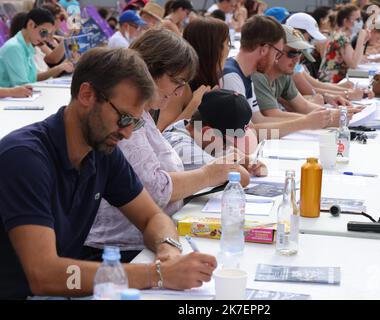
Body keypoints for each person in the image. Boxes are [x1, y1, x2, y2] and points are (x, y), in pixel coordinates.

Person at [0, 47, 217, 299]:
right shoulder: (24, 158)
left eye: (135, 123)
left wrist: (168, 249)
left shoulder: (102, 150)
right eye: (124, 118)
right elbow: (43, 274)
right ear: (87, 94)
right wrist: (156, 274)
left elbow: (152, 218)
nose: (127, 133)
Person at [83, 29, 251, 262]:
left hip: (146, 242)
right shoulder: (126, 120)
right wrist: (210, 173)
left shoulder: (144, 115)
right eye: (176, 82)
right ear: (148, 71)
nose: (179, 92)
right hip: (120, 251)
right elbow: (154, 189)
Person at [222, 15, 332, 139]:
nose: (276, 60)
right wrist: (305, 122)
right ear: (264, 50)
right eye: (278, 53)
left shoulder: (245, 74)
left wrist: (310, 121)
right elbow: (247, 133)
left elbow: (260, 121)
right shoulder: (232, 77)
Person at [252, 25, 348, 123]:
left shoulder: (283, 73)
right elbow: (272, 115)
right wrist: (327, 117)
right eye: (292, 53)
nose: (297, 59)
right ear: (276, 51)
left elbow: (303, 105)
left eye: (299, 53)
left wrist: (340, 113)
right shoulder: (257, 76)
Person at [163, 89, 266, 175]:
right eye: (227, 142)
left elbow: (227, 152)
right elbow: (233, 175)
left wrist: (247, 160)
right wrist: (240, 161)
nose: (229, 145)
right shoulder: (181, 146)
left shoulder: (190, 128)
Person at [155, 17, 227, 131]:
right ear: (214, 49)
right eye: (227, 43)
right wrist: (194, 105)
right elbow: (161, 135)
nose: (228, 49)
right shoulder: (180, 86)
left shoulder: (210, 81)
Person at [0, 8, 73, 88]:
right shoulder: (14, 48)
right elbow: (22, 86)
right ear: (31, 25)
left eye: (47, 34)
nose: (44, 38)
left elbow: (34, 78)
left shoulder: (27, 46)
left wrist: (60, 68)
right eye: (43, 32)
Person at [318, 4, 369, 83]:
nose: (360, 22)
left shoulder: (340, 35)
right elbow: (353, 64)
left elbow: (356, 59)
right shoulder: (341, 38)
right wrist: (361, 39)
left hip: (335, 82)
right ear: (345, 21)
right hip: (331, 84)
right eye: (357, 19)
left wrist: (363, 41)